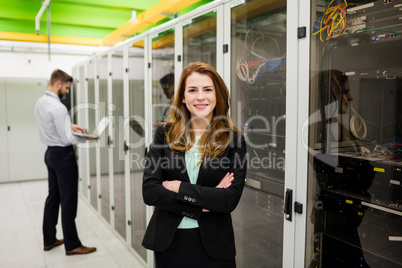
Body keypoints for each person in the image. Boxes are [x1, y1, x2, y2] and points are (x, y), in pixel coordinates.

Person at [142, 62, 247, 267]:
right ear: (183, 97)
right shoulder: (164, 134)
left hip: (215, 245)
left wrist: (178, 187)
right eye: (192, 90)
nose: (200, 97)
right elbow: (150, 192)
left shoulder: (234, 140)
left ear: (217, 95)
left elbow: (229, 200)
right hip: (170, 243)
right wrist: (205, 203)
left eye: (207, 89)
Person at [34, 69, 97, 256]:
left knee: (53, 197)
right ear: (58, 84)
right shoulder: (59, 107)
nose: (67, 92)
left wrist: (69, 126)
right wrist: (87, 138)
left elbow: (50, 124)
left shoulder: (41, 102)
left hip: (50, 155)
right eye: (67, 88)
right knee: (69, 201)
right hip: (63, 157)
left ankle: (49, 239)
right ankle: (72, 245)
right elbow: (68, 139)